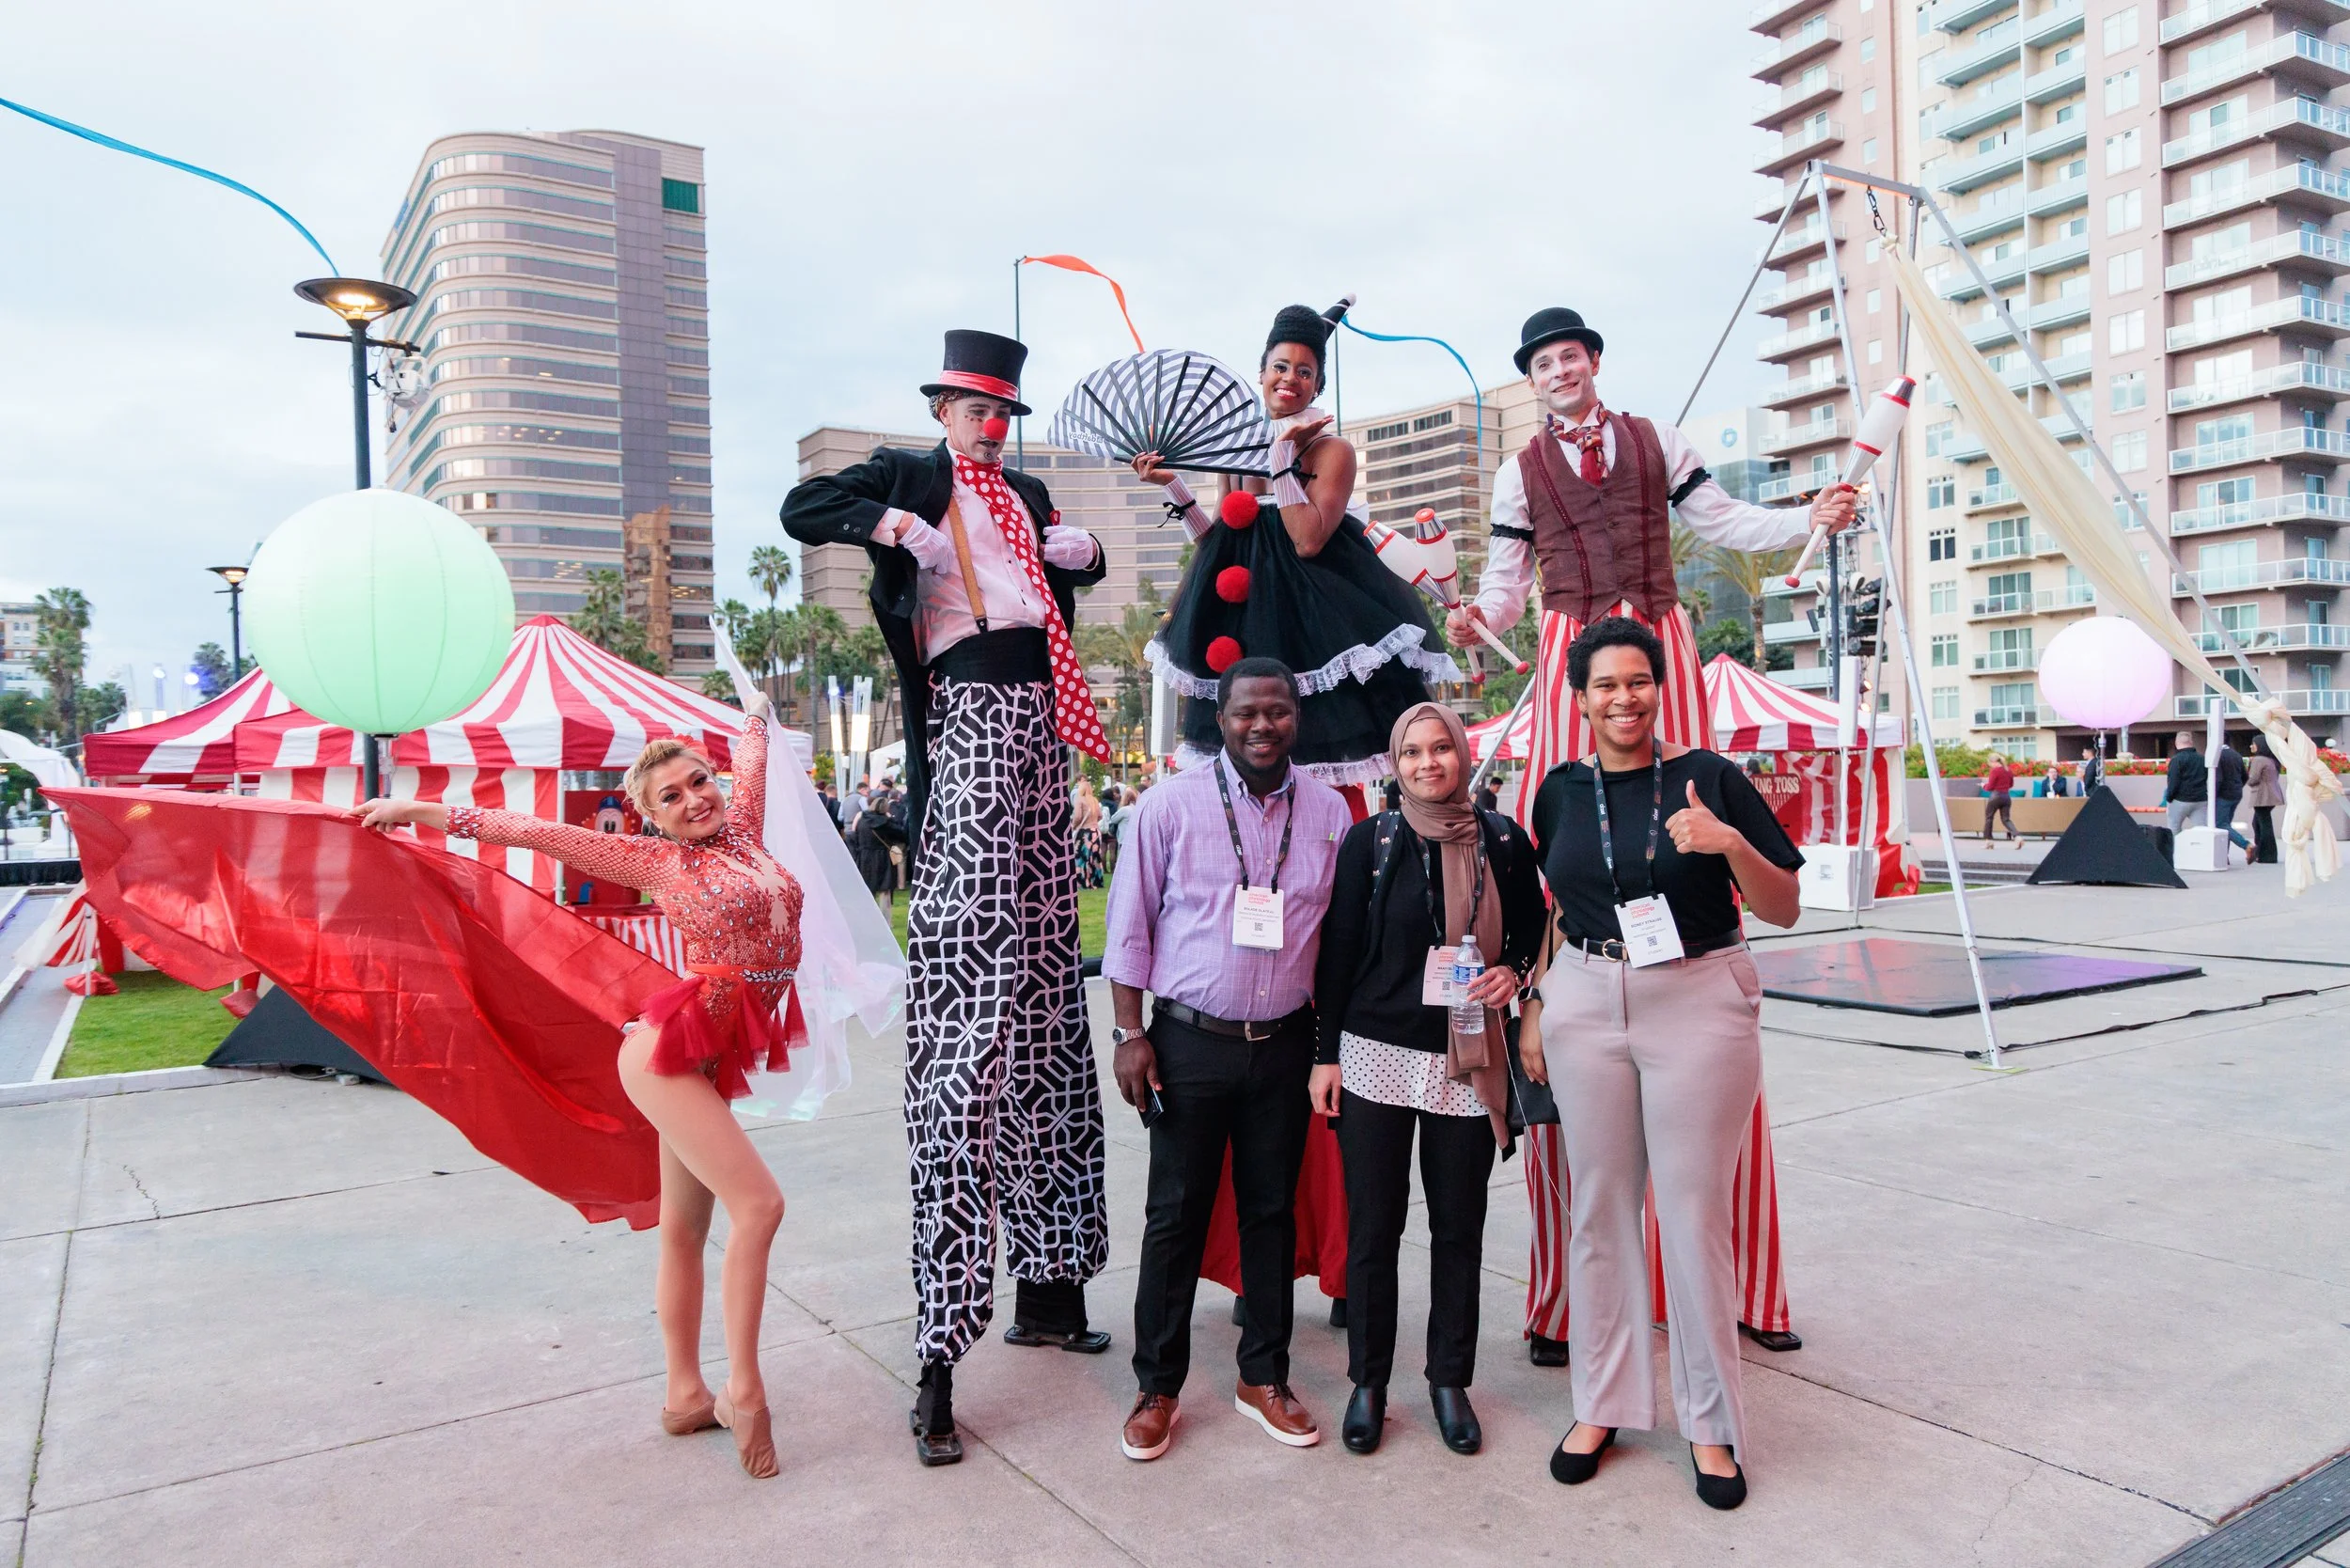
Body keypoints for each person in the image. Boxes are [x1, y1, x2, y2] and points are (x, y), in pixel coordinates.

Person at [1448, 306, 1850, 1364]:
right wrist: (1475, 618)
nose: (1559, 372)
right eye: (1542, 363)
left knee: (1691, 843)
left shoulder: (1656, 440)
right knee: (1560, 874)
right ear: (1533, 378)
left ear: (1593, 362)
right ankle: (1567, 1298)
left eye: (1569, 355)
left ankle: (1736, 1284)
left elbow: (1720, 520)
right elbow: (1501, 589)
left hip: (1655, 642)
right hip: (1564, 653)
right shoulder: (1519, 473)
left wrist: (1806, 516)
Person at [779, 329, 1114, 1466]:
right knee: (967, 1032)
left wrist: (1082, 555)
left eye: (1003, 411)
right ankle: (939, 1348)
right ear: (941, 408)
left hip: (1043, 730)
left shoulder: (1027, 495)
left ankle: (1051, 1287)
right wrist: (896, 527)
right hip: (965, 721)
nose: (991, 427)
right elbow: (803, 506)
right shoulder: (909, 474)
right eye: (975, 409)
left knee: (1049, 1008)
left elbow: (1064, 575)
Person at [352, 700, 803, 1481]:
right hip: (667, 1054)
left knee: (684, 1228)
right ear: (651, 818)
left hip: (709, 1052)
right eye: (671, 797)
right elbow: (532, 832)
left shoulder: (746, 830)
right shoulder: (656, 863)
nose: (694, 799)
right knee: (759, 1207)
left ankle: (684, 1395)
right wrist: (415, 810)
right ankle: (745, 1389)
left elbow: (753, 758)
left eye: (700, 782)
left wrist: (758, 716)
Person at [1521, 619, 1805, 1511]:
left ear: (1659, 688)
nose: (1624, 698)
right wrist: (1538, 1002)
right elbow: (1559, 905)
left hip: (1696, 995)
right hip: (1585, 996)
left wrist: (1728, 844)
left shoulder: (1711, 778)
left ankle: (1711, 1425)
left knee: (1691, 1216)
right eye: (1605, 685)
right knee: (1600, 1211)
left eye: (1638, 681)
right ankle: (1602, 1404)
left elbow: (1785, 907)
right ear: (1580, 699)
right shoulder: (1559, 791)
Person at [1103, 658, 1354, 1462]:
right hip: (1188, 1043)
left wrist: (1329, 1048)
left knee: (1270, 1214)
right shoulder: (1167, 807)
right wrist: (1129, 1035)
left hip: (1284, 1046)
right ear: (1221, 720)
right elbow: (1129, 926)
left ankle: (1264, 1376)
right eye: (1247, 712)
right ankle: (1157, 1387)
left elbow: (1338, 941)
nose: (1262, 725)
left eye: (1277, 711)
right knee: (1174, 1216)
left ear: (1296, 718)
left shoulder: (1329, 813)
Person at [1308, 702, 1544, 1458]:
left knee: (1458, 1226)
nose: (1427, 763)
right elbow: (1338, 953)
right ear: (1396, 763)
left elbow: (1533, 928)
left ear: (1462, 755)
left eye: (1440, 748)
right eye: (1411, 752)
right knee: (1375, 1229)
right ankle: (1369, 1382)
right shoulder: (1371, 841)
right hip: (1375, 1053)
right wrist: (1325, 1055)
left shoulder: (1502, 839)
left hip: (1467, 1058)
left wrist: (1513, 972)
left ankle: (1449, 1380)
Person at [1134, 303, 1460, 792]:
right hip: (1243, 622)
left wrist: (1281, 459)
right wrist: (1173, 486)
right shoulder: (1234, 451)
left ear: (1318, 385)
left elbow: (1307, 539)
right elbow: (1219, 542)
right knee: (1247, 767)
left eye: (1304, 372)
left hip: (1314, 624)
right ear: (1262, 373)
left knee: (1321, 768)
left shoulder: (1333, 451)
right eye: (1280, 366)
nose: (1290, 378)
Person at [2164, 731, 2209, 837]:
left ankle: (2177, 847)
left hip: (2180, 800)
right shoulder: (2202, 759)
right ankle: (2202, 847)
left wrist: (2169, 798)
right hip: (2200, 800)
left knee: (2174, 829)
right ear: (2191, 742)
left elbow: (2173, 782)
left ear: (2176, 743)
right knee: (2202, 830)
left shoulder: (2176, 760)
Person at [2247, 735, 2282, 865]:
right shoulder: (2271, 760)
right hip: (2272, 795)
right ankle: (2264, 853)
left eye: (2253, 744)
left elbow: (2253, 779)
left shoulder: (2258, 760)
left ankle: (2266, 855)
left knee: (2263, 825)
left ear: (2260, 745)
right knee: (2259, 823)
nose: (2251, 746)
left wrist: (2246, 775)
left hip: (2262, 796)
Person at [2214, 739, 2251, 859]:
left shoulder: (2218, 755)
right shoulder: (2236, 755)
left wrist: (2212, 795)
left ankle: (2246, 845)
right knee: (2226, 825)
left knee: (2221, 825)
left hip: (2223, 795)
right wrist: (2238, 787)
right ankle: (2224, 857)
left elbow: (2218, 779)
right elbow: (2245, 776)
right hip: (2236, 794)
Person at [1073, 776, 1105, 889]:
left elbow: (1077, 816)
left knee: (1082, 857)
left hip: (1085, 832)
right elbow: (1100, 815)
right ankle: (1096, 881)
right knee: (1095, 857)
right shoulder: (1094, 800)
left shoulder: (1080, 800)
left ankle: (1083, 881)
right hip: (1096, 831)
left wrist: (1073, 826)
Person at [1982, 754, 2019, 844]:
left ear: (1994, 762)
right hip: (2006, 797)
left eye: (1990, 764)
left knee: (1989, 818)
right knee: (2006, 819)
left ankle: (1989, 841)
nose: (1990, 766)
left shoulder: (1995, 771)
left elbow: (1990, 787)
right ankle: (2017, 836)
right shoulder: (2008, 770)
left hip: (1996, 796)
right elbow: (2011, 784)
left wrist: (1984, 786)